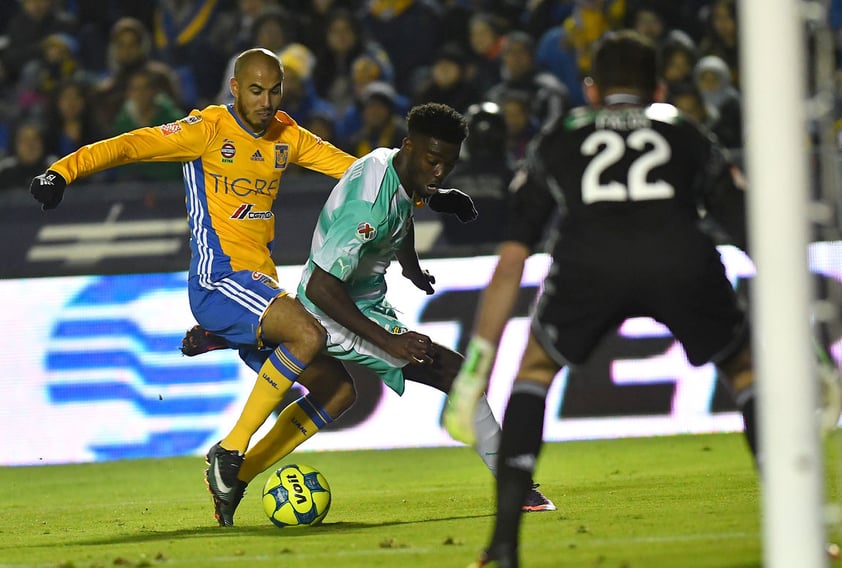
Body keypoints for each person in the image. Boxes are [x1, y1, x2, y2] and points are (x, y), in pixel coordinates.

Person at [441, 31, 757, 568]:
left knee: (534, 369)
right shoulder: (687, 132)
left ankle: (502, 547)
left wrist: (476, 368)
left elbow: (512, 261)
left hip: (590, 263)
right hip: (680, 259)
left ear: (592, 90)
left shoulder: (559, 136)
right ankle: (801, 533)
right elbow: (752, 228)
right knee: (747, 373)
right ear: (657, 87)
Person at [28, 47, 360, 527]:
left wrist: (422, 189)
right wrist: (62, 171)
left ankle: (237, 474)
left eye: (274, 90)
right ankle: (230, 447)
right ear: (235, 88)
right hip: (218, 280)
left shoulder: (287, 135)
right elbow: (128, 145)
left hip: (260, 289)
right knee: (307, 335)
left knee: (338, 391)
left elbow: (359, 172)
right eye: (255, 90)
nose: (266, 101)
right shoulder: (205, 130)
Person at [181, 103, 556, 527]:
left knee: (340, 394)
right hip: (334, 308)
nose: (438, 173)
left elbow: (405, 209)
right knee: (453, 371)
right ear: (409, 146)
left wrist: (411, 264)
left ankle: (236, 466)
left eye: (447, 166)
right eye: (433, 162)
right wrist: (390, 341)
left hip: (361, 301)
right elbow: (323, 286)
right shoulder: (367, 206)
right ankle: (513, 485)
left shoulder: (391, 164)